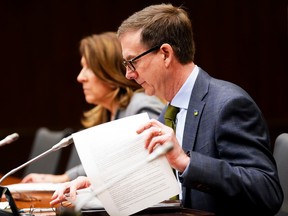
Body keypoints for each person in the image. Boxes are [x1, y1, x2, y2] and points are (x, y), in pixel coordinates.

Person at [49, 4, 283, 215]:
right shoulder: (169, 113)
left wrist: (186, 162)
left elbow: (267, 192)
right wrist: (95, 185)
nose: (129, 74)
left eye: (133, 61)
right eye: (126, 64)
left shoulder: (227, 104)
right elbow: (153, 182)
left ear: (165, 54)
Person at [21, 31, 165, 184]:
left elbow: (152, 168)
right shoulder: (109, 113)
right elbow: (104, 164)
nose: (80, 77)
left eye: (88, 68)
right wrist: (62, 179)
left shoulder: (141, 106)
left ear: (110, 72)